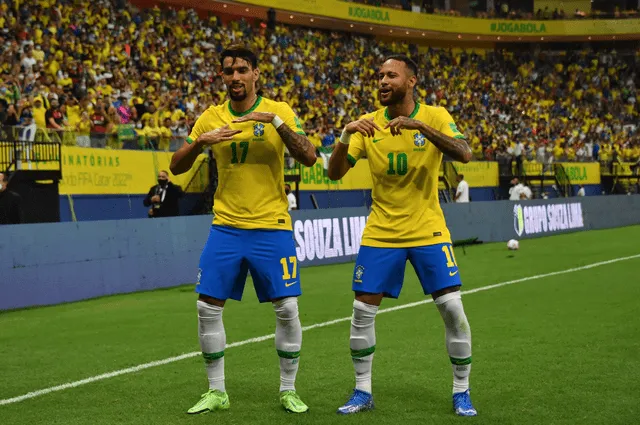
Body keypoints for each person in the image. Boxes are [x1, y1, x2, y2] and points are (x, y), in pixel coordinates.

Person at [169, 45, 316, 415]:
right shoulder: (211, 117)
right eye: (228, 71)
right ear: (223, 76)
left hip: (271, 226)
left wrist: (276, 124)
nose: (235, 77)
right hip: (227, 227)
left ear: (255, 74)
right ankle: (216, 391)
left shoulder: (278, 111)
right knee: (206, 307)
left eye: (242, 70)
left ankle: (288, 389)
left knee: (286, 308)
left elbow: (309, 156)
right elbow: (176, 167)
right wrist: (201, 141)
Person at [327, 55, 477, 417]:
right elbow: (334, 173)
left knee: (453, 310)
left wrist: (420, 127)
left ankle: (461, 391)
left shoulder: (436, 116)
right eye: (380, 75)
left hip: (428, 229)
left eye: (391, 75)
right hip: (381, 232)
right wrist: (346, 135)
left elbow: (465, 153)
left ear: (411, 81)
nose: (382, 80)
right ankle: (363, 391)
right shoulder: (369, 125)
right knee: (361, 312)